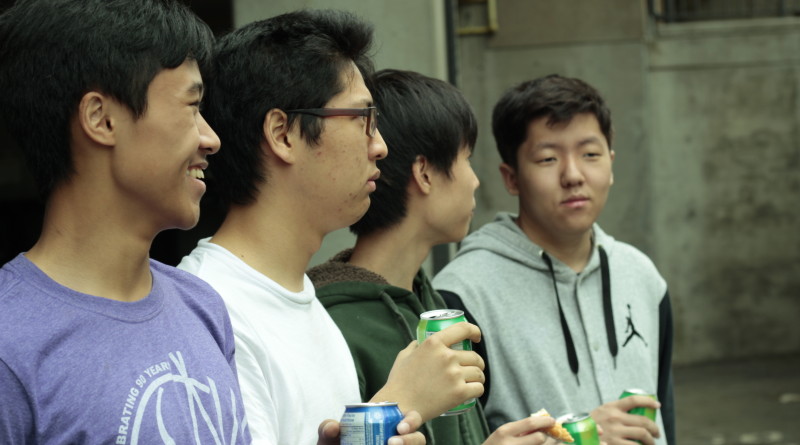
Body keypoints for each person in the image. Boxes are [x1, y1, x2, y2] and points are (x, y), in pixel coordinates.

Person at [178, 10, 481, 445]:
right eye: (362, 119)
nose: (380, 146)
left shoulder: (306, 302)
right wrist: (396, 404)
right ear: (283, 134)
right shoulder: (210, 310)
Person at [0, 0, 253, 443]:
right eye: (192, 106)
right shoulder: (11, 344)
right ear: (101, 118)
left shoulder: (202, 306)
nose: (210, 139)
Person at [308, 69, 564, 445]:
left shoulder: (431, 302)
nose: (475, 180)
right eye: (466, 158)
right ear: (425, 173)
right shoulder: (334, 326)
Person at [432, 74, 675, 445]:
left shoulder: (642, 277)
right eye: (547, 158)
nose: (573, 175)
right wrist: (580, 435)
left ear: (610, 164)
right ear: (511, 178)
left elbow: (665, 422)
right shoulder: (461, 296)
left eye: (590, 155)